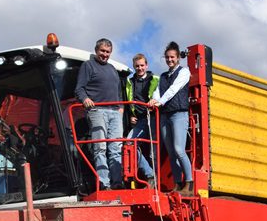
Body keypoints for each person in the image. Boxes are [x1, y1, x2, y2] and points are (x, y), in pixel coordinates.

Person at [74, 38, 124, 190]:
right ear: (96, 50)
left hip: (115, 112)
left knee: (116, 148)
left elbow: (118, 91)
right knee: (100, 147)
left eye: (108, 52)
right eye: (102, 51)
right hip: (97, 111)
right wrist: (85, 99)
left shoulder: (113, 69)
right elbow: (79, 89)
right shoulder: (88, 66)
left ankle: (117, 183)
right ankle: (104, 183)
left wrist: (121, 106)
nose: (105, 54)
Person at [149, 41, 193, 195]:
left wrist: (160, 101)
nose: (170, 60)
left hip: (179, 114)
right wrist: (154, 100)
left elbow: (173, 89)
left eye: (172, 57)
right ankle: (177, 183)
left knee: (179, 149)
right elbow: (158, 91)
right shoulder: (162, 76)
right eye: (167, 57)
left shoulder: (184, 72)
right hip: (165, 115)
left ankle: (189, 183)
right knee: (171, 151)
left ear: (178, 58)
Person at [125, 53, 159, 185]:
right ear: (134, 67)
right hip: (140, 120)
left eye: (142, 65)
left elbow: (161, 95)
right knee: (129, 144)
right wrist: (131, 115)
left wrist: (155, 100)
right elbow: (127, 99)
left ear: (147, 65)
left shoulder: (155, 79)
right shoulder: (129, 82)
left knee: (154, 152)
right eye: (137, 66)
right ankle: (150, 175)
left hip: (155, 118)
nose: (139, 68)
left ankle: (157, 182)